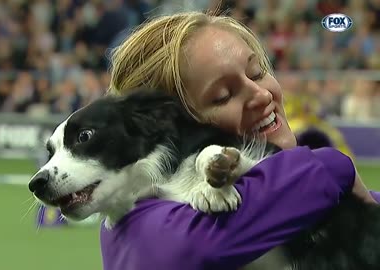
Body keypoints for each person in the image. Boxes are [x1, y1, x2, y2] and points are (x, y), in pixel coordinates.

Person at [100, 10, 379, 270]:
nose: (262, 94)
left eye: (257, 72)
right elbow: (190, 249)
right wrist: (329, 168)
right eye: (223, 95)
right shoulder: (135, 220)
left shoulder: (295, 206)